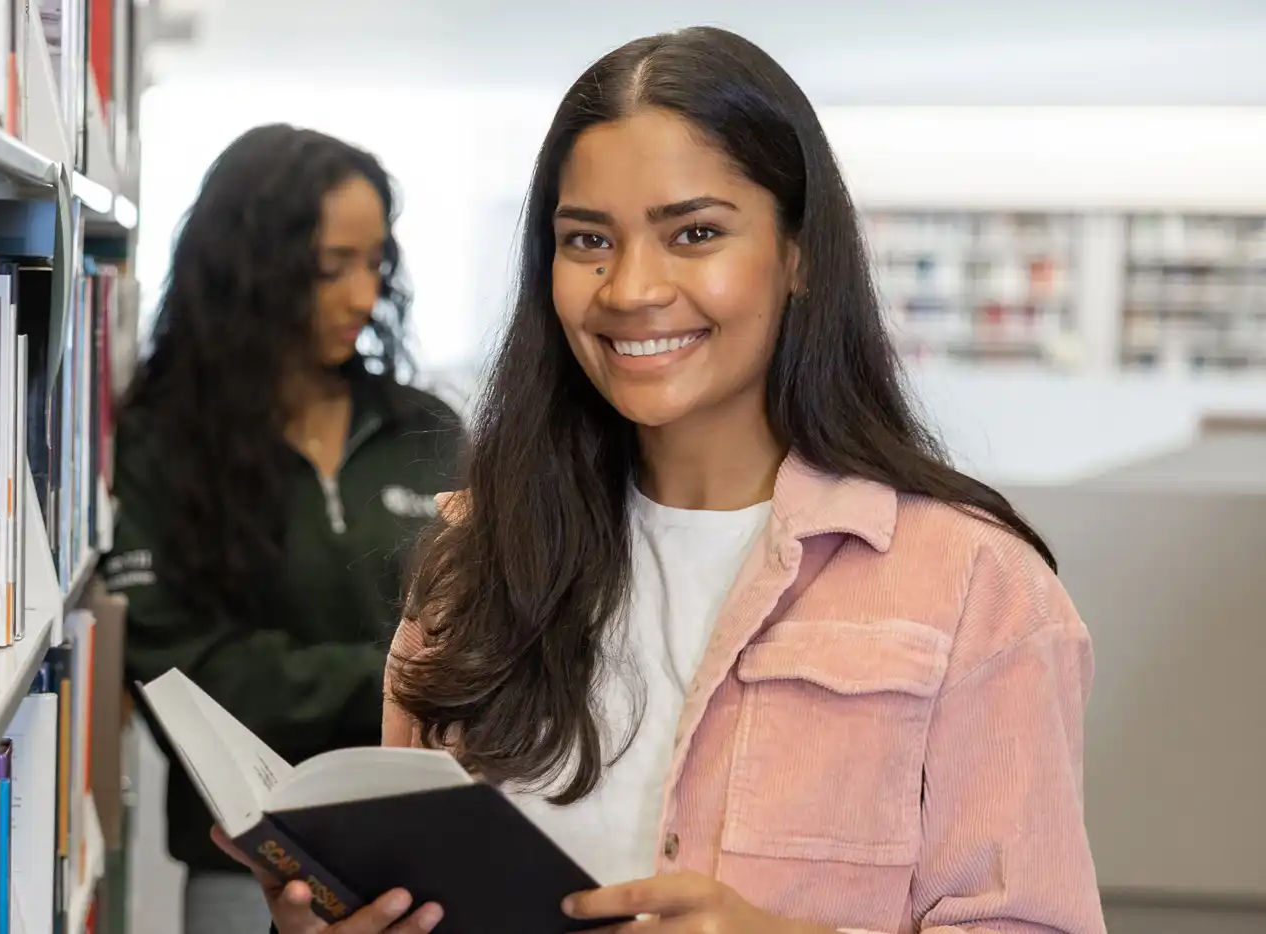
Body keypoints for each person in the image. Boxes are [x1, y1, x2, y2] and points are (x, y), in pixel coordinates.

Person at [224, 27, 1107, 934]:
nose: (631, 288)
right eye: (587, 240)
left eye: (695, 233)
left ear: (799, 253)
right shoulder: (475, 561)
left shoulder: (977, 591)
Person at [103, 124, 465, 934]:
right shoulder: (161, 446)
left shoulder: (426, 431)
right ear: (250, 269)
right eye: (330, 267)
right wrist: (402, 681)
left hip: (428, 855)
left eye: (375, 264)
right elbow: (185, 674)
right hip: (253, 866)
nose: (362, 297)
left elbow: (493, 631)